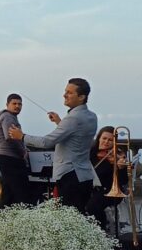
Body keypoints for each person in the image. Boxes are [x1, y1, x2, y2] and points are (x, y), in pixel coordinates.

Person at [9, 78, 99, 214]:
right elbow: (76, 135)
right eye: (65, 91)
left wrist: (22, 136)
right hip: (85, 175)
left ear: (81, 97)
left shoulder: (73, 118)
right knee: (79, 216)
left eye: (69, 93)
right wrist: (59, 122)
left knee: (69, 218)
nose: (64, 95)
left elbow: (47, 142)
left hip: (70, 175)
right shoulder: (92, 116)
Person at [85, 126, 130, 232]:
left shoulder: (118, 155)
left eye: (110, 140)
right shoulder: (90, 152)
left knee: (93, 205)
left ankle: (100, 230)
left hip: (111, 191)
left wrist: (121, 168)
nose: (106, 142)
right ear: (99, 138)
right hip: (91, 188)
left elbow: (124, 181)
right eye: (104, 138)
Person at [0, 94, 33, 207]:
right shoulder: (8, 117)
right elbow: (11, 137)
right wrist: (23, 152)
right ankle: (19, 215)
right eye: (14, 103)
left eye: (19, 104)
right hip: (9, 158)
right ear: (7, 104)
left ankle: (4, 215)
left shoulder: (10, 117)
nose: (17, 106)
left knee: (9, 192)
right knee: (20, 192)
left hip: (6, 158)